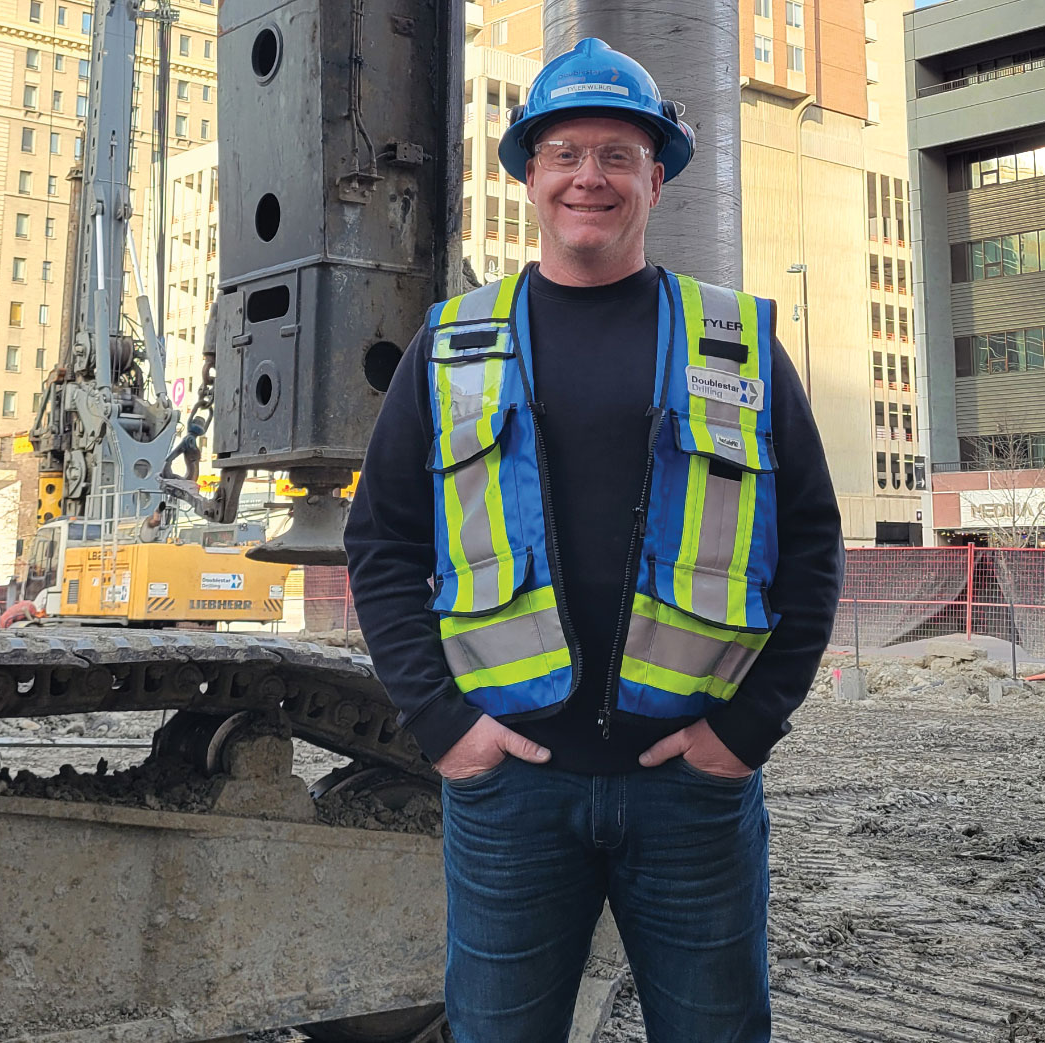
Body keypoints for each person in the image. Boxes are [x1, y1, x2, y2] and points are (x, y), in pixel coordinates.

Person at [344, 38, 843, 1043]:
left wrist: (744, 733)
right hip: (511, 791)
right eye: (565, 153)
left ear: (657, 178)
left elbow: (811, 544)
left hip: (690, 792)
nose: (590, 177)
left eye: (618, 155)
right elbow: (382, 545)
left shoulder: (737, 341)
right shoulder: (451, 346)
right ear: (528, 176)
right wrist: (447, 728)